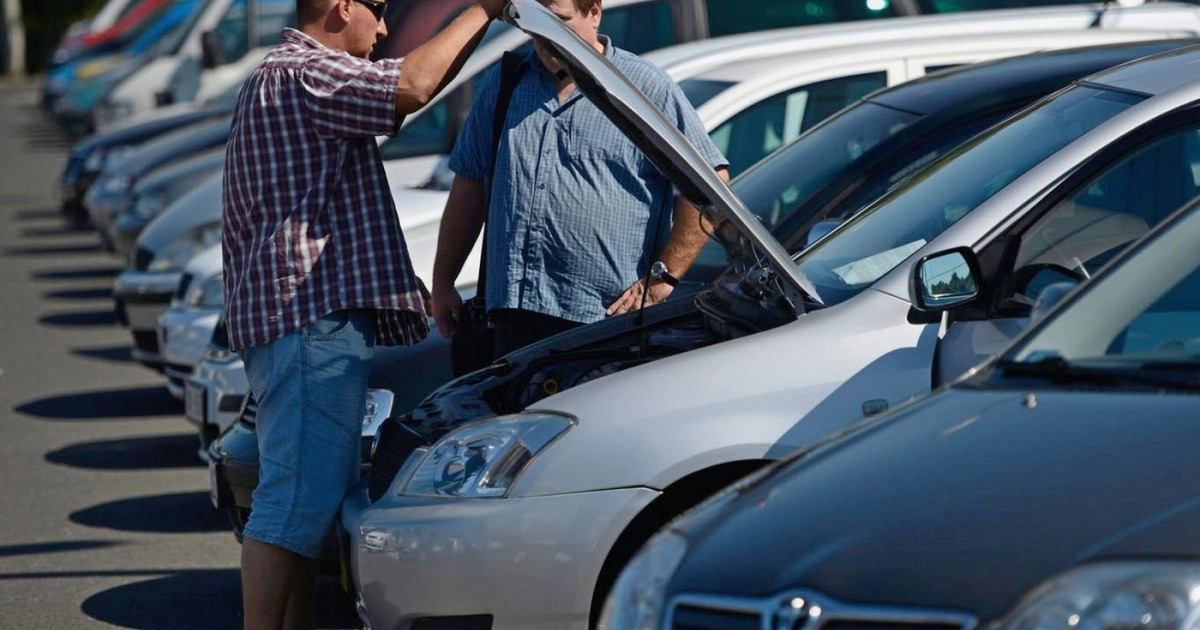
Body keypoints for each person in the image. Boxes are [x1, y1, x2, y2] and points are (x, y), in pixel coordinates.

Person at [220, 0, 503, 627]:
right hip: (309, 324)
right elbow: (413, 85)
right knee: (290, 508)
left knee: (307, 510)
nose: (383, 27)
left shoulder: (283, 75)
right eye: (377, 10)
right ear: (342, 6)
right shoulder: (305, 73)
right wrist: (485, 8)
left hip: (303, 324)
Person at [429, 0, 729, 358]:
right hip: (514, 320)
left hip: (605, 325)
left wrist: (663, 278)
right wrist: (444, 280)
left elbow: (711, 185)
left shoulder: (643, 89)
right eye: (537, 22)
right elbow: (471, 188)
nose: (547, 36)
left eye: (560, 21)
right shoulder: (506, 83)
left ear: (594, 12)